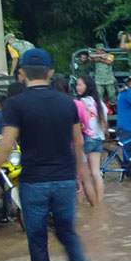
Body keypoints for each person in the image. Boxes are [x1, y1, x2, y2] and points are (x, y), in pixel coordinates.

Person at [0, 49, 96, 261]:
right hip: (64, 179)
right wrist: (79, 172)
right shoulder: (68, 103)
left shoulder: (15, 104)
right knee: (67, 231)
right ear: (50, 72)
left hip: (33, 181)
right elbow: (78, 142)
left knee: (37, 237)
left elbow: (7, 144)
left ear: (22, 73)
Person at [52, 76, 98, 206]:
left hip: (57, 149)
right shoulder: (77, 104)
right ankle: (96, 209)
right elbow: (86, 124)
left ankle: (78, 211)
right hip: (77, 147)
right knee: (85, 180)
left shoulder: (50, 107)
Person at [75, 75, 107, 201]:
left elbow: (81, 123)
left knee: (80, 175)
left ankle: (80, 205)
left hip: (87, 139)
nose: (77, 87)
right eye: (77, 85)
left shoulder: (83, 102)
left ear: (87, 87)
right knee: (96, 173)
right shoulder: (100, 103)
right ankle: (99, 203)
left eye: (80, 85)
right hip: (98, 139)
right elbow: (104, 124)